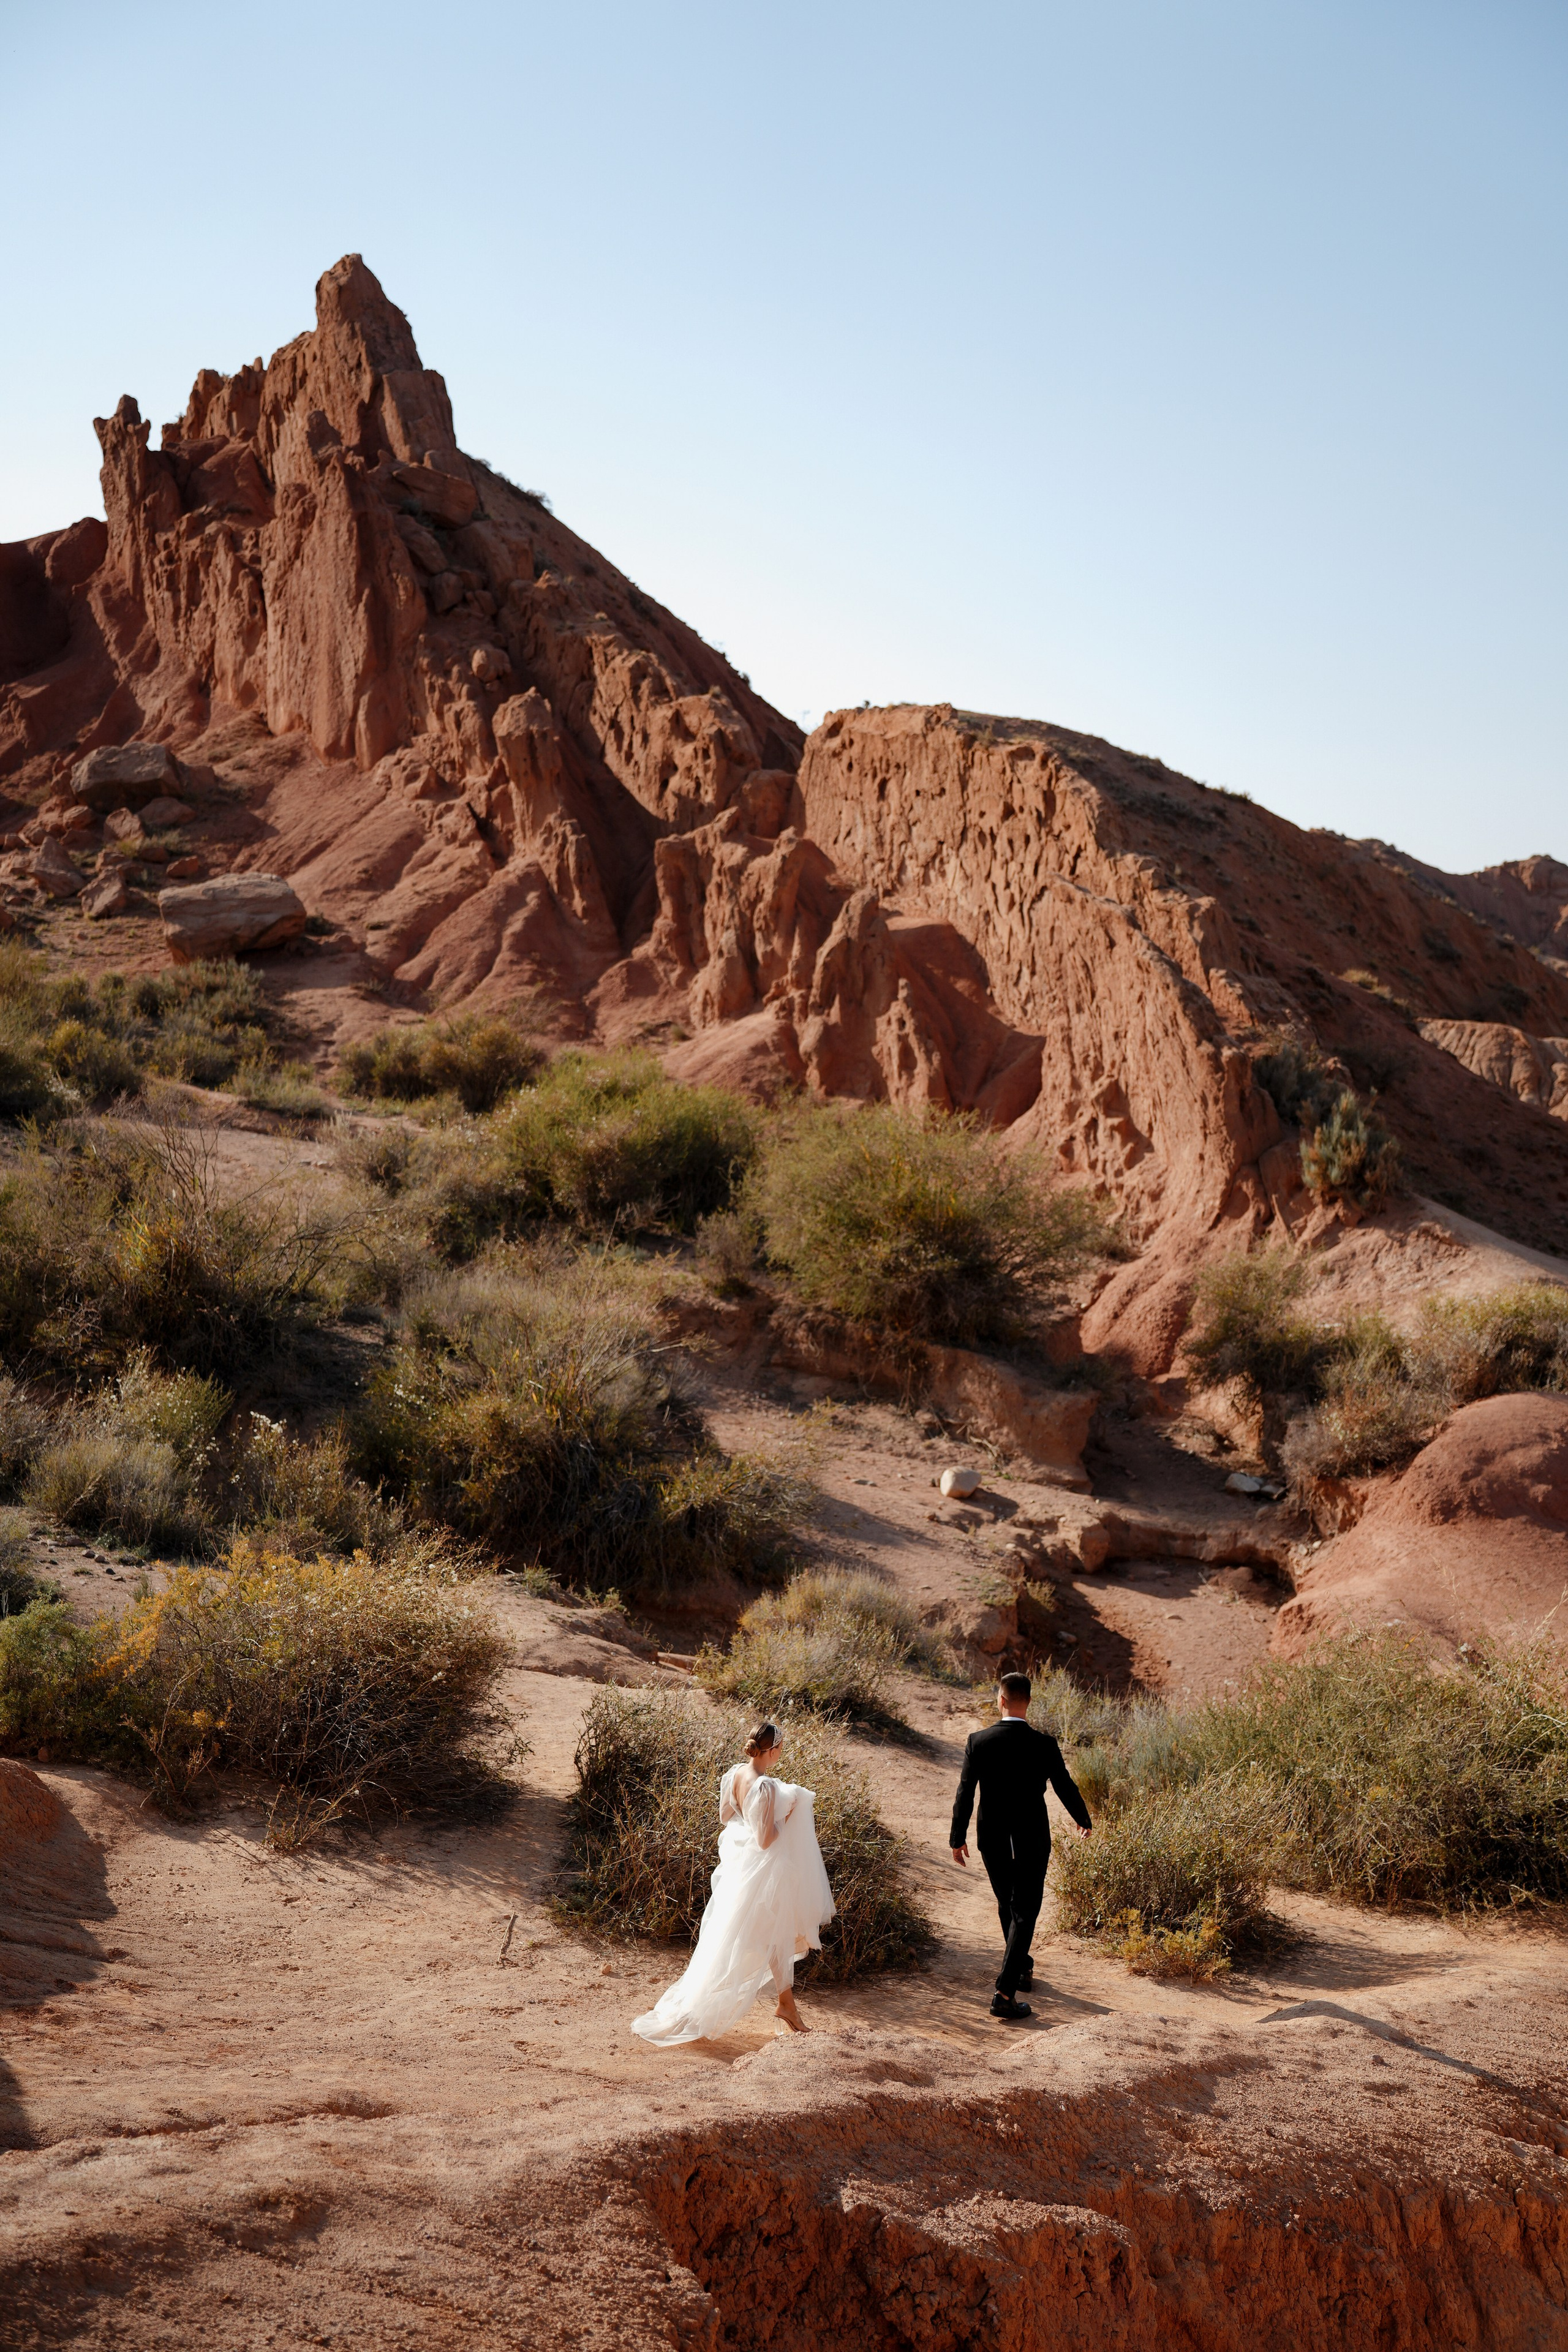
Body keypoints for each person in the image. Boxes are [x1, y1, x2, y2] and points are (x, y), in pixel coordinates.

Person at [631, 1721, 835, 2046]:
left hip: (741, 1864)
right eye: (780, 1748)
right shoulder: (766, 1787)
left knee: (761, 1933)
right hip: (763, 1868)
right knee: (755, 1935)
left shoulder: (734, 1774)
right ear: (772, 1750)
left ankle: (786, 2004)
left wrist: (760, 1815)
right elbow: (767, 1839)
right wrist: (789, 1810)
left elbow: (726, 1816)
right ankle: (722, 2006)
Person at [949, 1670, 1091, 2022]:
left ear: (1001, 1700)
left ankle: (1022, 1968)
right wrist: (1082, 1817)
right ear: (1028, 1702)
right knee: (1024, 1909)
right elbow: (1064, 1785)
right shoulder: (1044, 1744)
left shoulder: (978, 1741)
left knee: (1008, 1904)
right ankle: (1004, 1992)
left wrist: (957, 1837)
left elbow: (965, 1793)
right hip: (1032, 1836)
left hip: (992, 1836)